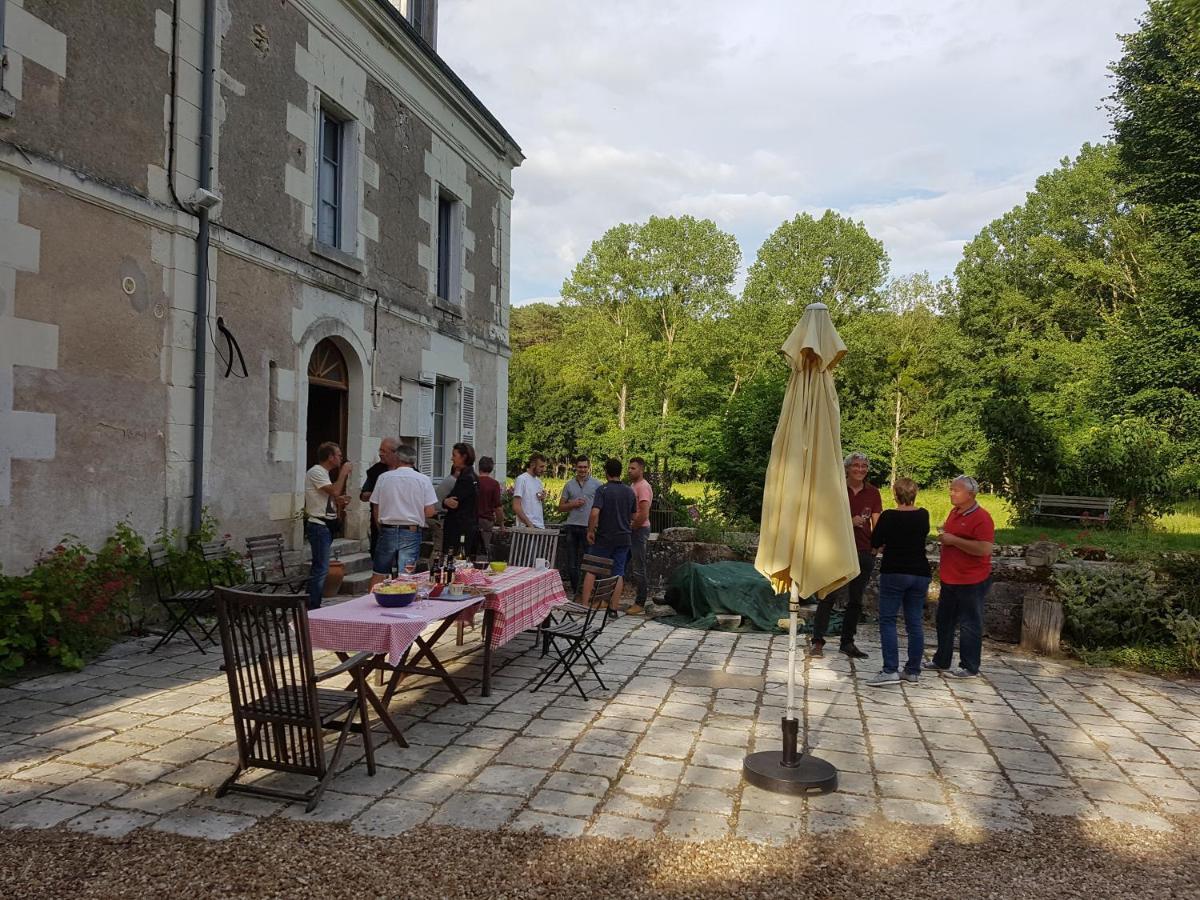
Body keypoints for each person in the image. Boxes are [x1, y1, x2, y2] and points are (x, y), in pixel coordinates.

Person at [810, 452, 882, 659]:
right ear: (847, 468)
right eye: (856, 466)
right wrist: (848, 522)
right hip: (836, 549)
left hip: (862, 550)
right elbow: (823, 518)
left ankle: (847, 642)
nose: (860, 469)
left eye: (864, 466)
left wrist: (876, 546)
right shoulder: (836, 490)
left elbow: (877, 521)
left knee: (856, 600)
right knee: (828, 595)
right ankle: (817, 641)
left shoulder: (873, 492)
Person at [926, 475, 995, 678]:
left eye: (956, 490)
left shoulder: (982, 517)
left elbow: (984, 548)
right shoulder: (955, 512)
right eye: (951, 489)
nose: (951, 493)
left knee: (969, 623)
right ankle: (942, 660)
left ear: (970, 494)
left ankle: (969, 666)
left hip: (971, 579)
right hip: (951, 576)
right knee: (944, 620)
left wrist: (954, 540)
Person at [866, 478, 931, 687]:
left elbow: (875, 541)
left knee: (888, 620)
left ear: (895, 494)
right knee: (914, 623)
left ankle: (890, 669)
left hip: (895, 570)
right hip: (920, 571)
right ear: (915, 494)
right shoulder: (923, 515)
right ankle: (913, 670)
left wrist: (883, 546)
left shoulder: (889, 516)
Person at [369, 444, 438, 589]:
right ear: (413, 460)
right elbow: (430, 511)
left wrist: (380, 526)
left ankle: (369, 603)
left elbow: (376, 506)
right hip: (411, 529)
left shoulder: (384, 478)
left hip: (387, 528)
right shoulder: (423, 479)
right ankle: (402, 604)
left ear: (397, 459)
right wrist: (416, 514)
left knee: (379, 572)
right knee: (406, 574)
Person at [583, 458, 638, 614]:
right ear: (620, 472)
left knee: (592, 569)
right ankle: (613, 608)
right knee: (618, 572)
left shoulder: (603, 490)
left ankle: (585, 605)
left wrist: (590, 530)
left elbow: (594, 513)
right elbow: (633, 516)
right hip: (624, 538)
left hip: (604, 537)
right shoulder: (629, 491)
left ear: (606, 472)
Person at [304, 442, 353, 610]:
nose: (341, 458)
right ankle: (312, 606)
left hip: (326, 525)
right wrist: (344, 473)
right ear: (330, 457)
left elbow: (329, 495)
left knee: (321, 567)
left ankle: (312, 602)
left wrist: (337, 501)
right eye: (338, 455)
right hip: (318, 525)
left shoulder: (324, 473)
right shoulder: (316, 471)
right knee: (321, 568)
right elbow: (334, 491)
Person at [559, 455, 602, 595]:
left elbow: (602, 507)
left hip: (588, 528)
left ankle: (589, 591)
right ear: (575, 468)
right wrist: (573, 504)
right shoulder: (569, 485)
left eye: (585, 467)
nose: (582, 469)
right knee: (572, 562)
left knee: (589, 561)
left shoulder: (597, 484)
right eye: (580, 467)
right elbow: (561, 507)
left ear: (588, 467)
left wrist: (597, 525)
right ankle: (577, 591)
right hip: (572, 526)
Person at [360, 437, 399, 559]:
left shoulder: (409, 470)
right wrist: (376, 494)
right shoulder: (376, 470)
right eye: (380, 450)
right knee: (379, 560)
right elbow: (363, 495)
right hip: (379, 524)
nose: (380, 454)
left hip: (402, 525)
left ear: (395, 453)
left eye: (383, 451)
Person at [441, 443, 480, 555]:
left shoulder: (466, 478)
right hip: (468, 525)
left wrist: (445, 501)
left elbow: (453, 502)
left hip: (459, 527)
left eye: (454, 455)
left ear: (464, 457)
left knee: (455, 560)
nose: (452, 458)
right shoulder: (473, 476)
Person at [626, 457, 654, 615]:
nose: (630, 470)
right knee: (624, 564)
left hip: (639, 530)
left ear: (641, 470)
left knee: (638, 567)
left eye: (633, 468)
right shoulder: (633, 485)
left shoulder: (643, 487)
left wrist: (633, 527)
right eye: (629, 468)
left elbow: (644, 513)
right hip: (632, 530)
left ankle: (640, 602)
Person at [475, 456, 506, 555]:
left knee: (470, 549)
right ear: (491, 468)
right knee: (483, 550)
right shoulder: (494, 484)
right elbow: (498, 507)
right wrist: (501, 524)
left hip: (471, 520)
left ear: (479, 467)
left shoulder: (473, 481)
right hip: (486, 521)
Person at [512, 453, 548, 529]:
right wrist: (529, 524)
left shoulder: (539, 481)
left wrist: (542, 498)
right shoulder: (522, 479)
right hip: (526, 527)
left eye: (544, 466)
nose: (543, 469)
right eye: (541, 466)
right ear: (532, 465)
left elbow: (534, 503)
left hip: (539, 525)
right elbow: (516, 506)